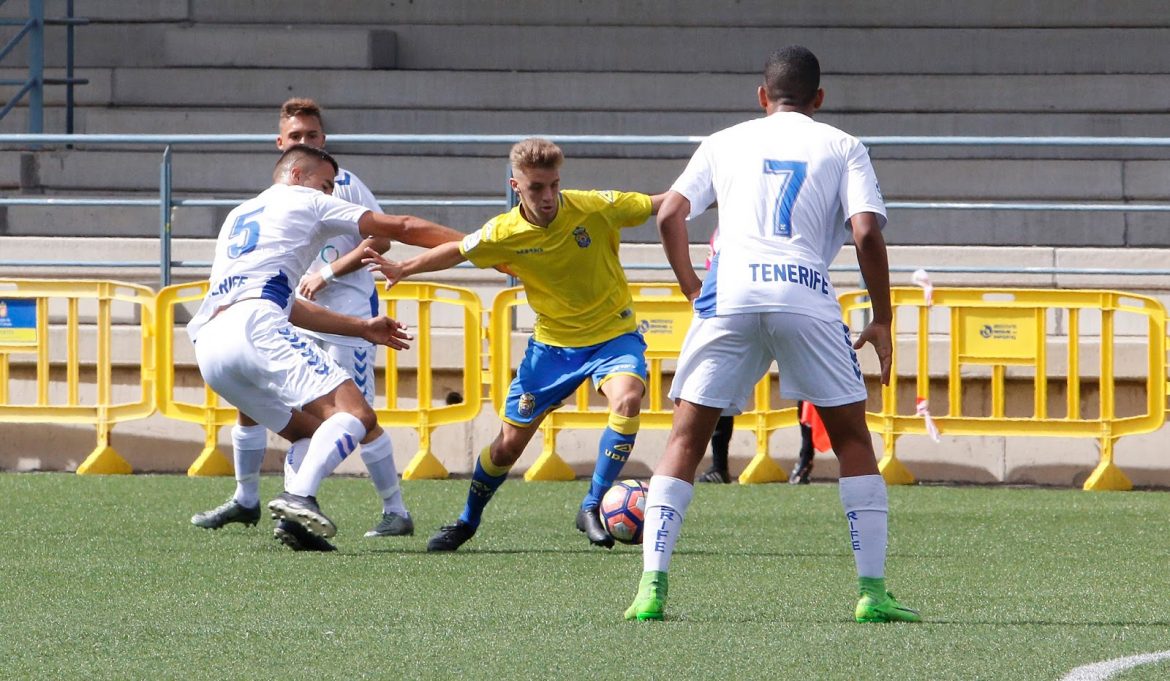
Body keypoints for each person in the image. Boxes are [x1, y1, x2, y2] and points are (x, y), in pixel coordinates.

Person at [624, 46, 920, 623]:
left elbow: (667, 216)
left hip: (728, 294)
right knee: (853, 439)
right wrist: (881, 317)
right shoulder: (843, 144)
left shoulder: (723, 141)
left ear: (762, 97)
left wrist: (692, 285)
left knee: (685, 439)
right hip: (805, 293)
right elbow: (865, 234)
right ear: (819, 99)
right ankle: (872, 593)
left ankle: (651, 588)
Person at [364, 137, 664, 551]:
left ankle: (592, 505)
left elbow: (661, 203)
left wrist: (721, 186)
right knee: (506, 448)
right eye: (536, 187)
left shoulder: (594, 206)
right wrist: (404, 267)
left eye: (553, 185)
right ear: (515, 186)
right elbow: (458, 249)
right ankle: (467, 522)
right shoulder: (504, 231)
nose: (547, 196)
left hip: (613, 335)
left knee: (628, 399)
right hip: (552, 349)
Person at [187, 144, 465, 551]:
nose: (330, 193)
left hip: (210, 345)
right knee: (356, 414)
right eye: (326, 183)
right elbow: (400, 227)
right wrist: (481, 244)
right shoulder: (306, 199)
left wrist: (362, 327)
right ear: (298, 175)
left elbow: (288, 305)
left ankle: (294, 524)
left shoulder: (239, 215)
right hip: (254, 326)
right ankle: (300, 498)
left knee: (309, 432)